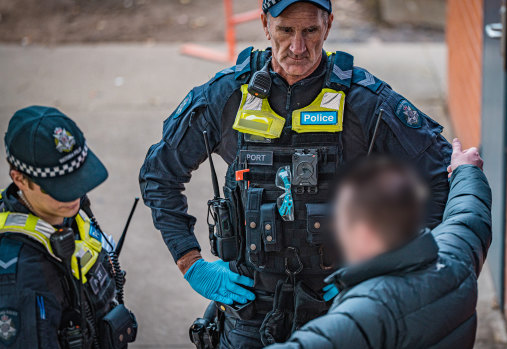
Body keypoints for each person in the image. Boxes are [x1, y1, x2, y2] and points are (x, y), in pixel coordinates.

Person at [139, 0, 451, 347]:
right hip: (247, 311)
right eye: (286, 30)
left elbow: (440, 176)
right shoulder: (227, 96)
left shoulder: (365, 101)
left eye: (310, 31)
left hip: (342, 310)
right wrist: (190, 262)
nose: (297, 47)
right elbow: (158, 175)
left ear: (328, 25)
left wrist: (387, 267)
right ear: (265, 24)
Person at [267, 138, 491, 349]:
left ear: (364, 232)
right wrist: (466, 170)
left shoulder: (362, 312)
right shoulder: (454, 256)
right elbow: (469, 212)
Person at [0, 106, 137, 348]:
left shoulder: (65, 213)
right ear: (20, 179)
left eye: (78, 177)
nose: (74, 193)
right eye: (60, 186)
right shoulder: (22, 277)